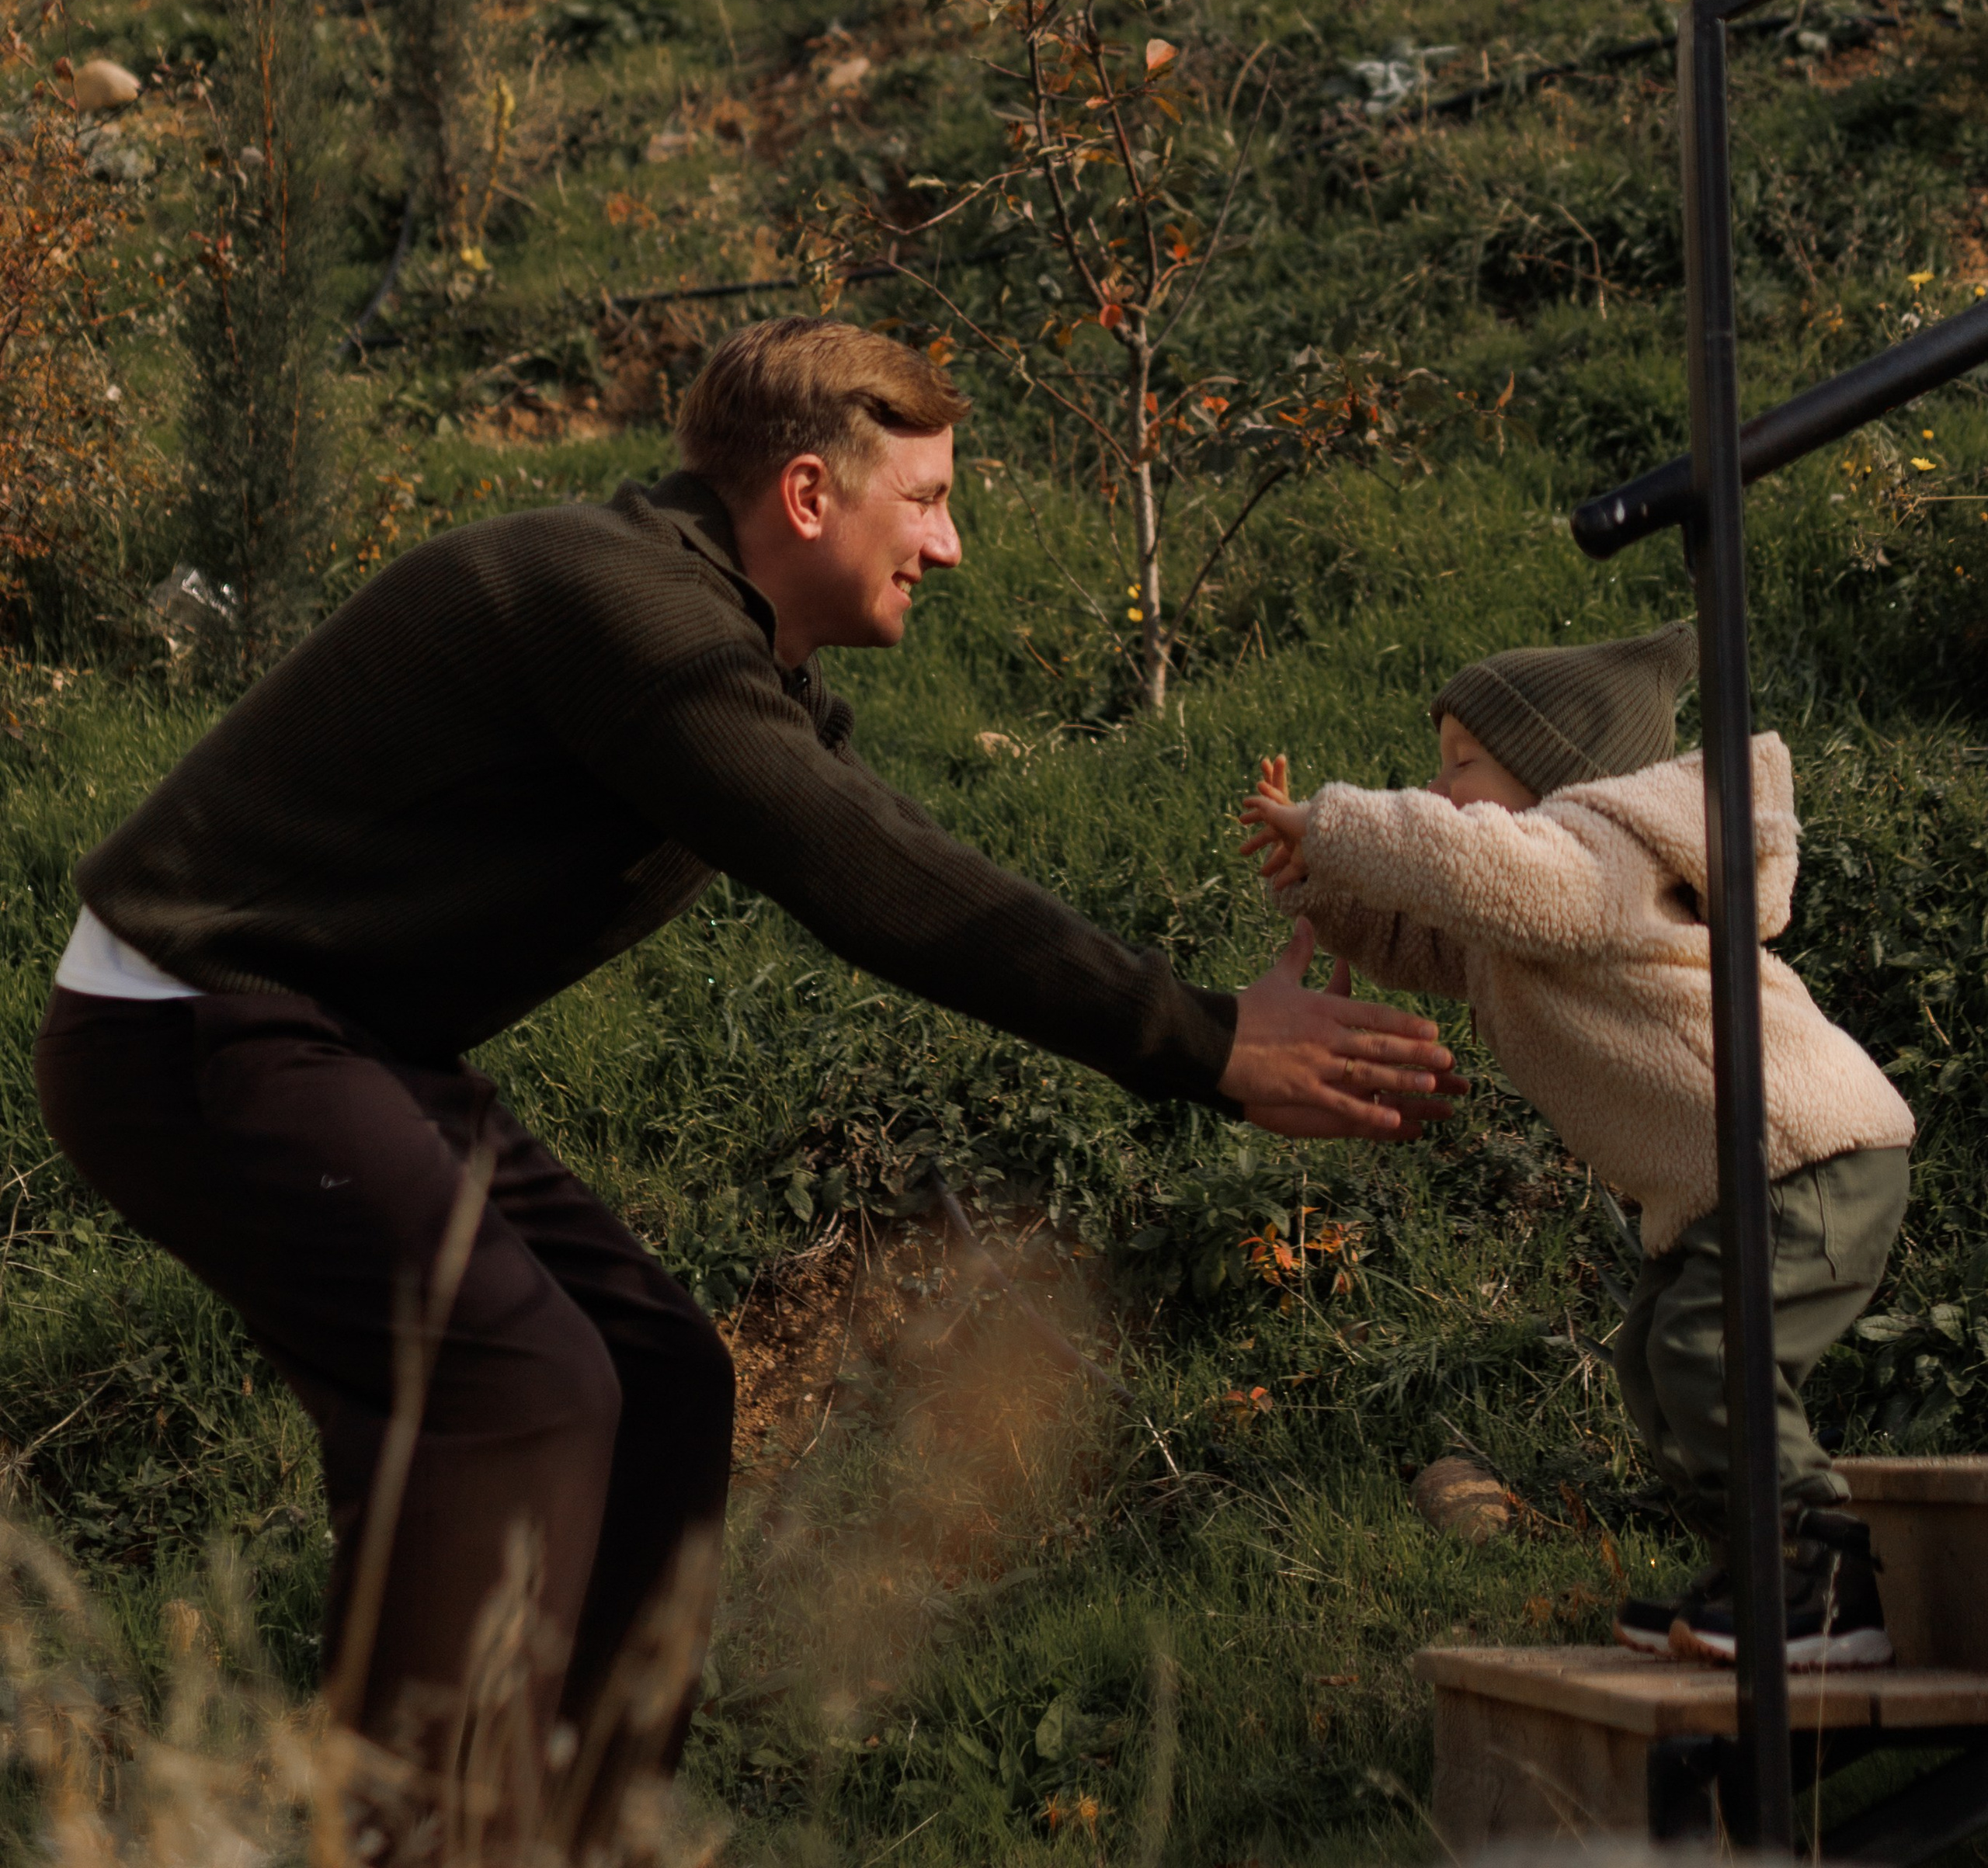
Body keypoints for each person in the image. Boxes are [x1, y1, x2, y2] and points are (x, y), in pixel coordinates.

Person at [35, 316, 1461, 1839]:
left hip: (342, 1037)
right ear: (803, 496)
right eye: (921, 500)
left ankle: (579, 1821)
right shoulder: (629, 614)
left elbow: (889, 844)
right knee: (520, 1395)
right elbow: (861, 873)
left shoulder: (714, 645)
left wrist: (1337, 897)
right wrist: (1204, 1039)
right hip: (192, 1023)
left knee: (653, 1376)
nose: (953, 544)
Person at [1239, 619, 1915, 1669]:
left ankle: (1826, 1577)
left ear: (1561, 773)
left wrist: (1332, 821)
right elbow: (1428, 938)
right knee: (1655, 1365)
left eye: (1463, 760)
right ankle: (1758, 1574)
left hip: (1807, 1155)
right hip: (1734, 1181)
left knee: (1705, 1353)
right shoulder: (1536, 905)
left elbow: (1456, 857)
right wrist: (1315, 884)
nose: (1441, 782)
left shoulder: (1596, 854)